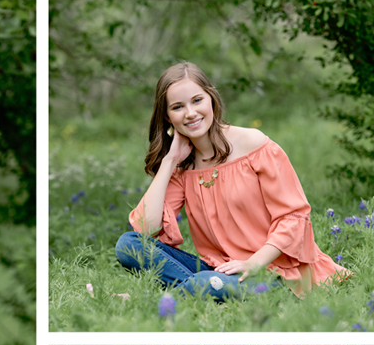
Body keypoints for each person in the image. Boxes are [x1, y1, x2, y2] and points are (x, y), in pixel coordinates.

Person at [115, 62, 349, 300]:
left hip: (274, 273)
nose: (190, 113)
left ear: (211, 100)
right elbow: (146, 228)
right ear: (167, 117)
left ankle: (158, 299)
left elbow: (294, 218)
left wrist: (253, 264)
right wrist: (169, 162)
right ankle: (198, 290)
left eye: (197, 100)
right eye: (178, 107)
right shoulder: (183, 165)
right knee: (128, 244)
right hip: (221, 270)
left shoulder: (253, 144)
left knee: (205, 283)